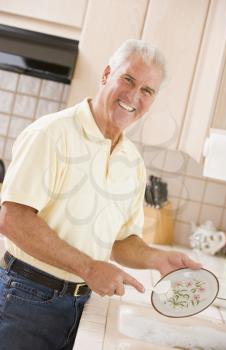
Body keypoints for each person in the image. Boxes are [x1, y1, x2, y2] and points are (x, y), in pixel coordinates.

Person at [0, 39, 201, 350]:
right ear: (107, 74)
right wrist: (89, 268)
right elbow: (12, 219)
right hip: (26, 297)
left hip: (81, 304)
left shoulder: (132, 161)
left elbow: (121, 242)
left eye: (147, 91)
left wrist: (157, 258)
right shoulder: (52, 134)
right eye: (128, 80)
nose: (134, 96)